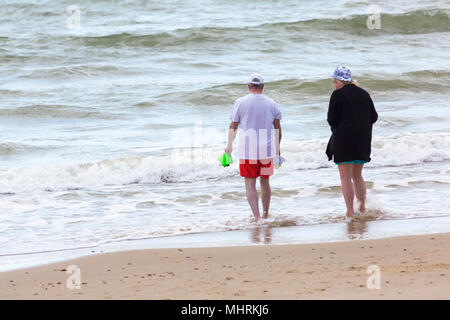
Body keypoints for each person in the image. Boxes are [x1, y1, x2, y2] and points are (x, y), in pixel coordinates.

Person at [225, 74, 282, 222]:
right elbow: (277, 128)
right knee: (265, 182)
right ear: (262, 87)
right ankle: (265, 214)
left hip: (247, 150)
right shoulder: (272, 103)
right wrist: (277, 150)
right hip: (267, 150)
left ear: (249, 86)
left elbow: (233, 126)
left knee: (250, 184)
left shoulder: (240, 102)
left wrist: (229, 147)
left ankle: (257, 218)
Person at [326, 66, 378, 217]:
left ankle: (349, 211)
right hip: (363, 139)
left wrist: (341, 128)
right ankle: (362, 208)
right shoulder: (363, 93)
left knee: (345, 177)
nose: (334, 84)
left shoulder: (337, 95)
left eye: (334, 81)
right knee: (357, 176)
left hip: (343, 139)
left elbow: (331, 119)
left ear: (339, 80)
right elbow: (374, 117)